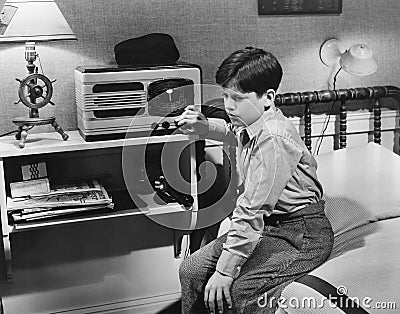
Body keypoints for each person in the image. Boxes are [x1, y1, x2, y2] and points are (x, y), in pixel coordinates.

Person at [175, 47, 334, 314]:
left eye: (237, 98)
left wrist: (225, 272)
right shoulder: (252, 122)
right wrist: (203, 127)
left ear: (268, 97)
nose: (228, 105)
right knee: (191, 270)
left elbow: (253, 210)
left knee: (239, 290)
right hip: (269, 228)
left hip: (301, 234)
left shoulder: (274, 139)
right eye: (225, 95)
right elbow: (233, 132)